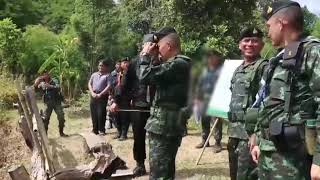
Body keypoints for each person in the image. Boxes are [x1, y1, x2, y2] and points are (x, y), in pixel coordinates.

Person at [250, 1, 320, 179]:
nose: (267, 32)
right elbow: (267, 103)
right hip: (270, 152)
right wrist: (258, 139)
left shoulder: (312, 52)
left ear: (281, 24)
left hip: (294, 160)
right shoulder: (279, 58)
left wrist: (319, 160)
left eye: (269, 26)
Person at [138, 27, 191, 179]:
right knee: (163, 171)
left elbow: (144, 77)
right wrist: (154, 57)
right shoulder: (173, 64)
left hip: (165, 128)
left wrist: (145, 55)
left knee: (159, 174)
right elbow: (153, 75)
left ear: (168, 46)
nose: (157, 49)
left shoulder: (178, 64)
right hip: (163, 127)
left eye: (159, 46)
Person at [227, 27, 267, 180]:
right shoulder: (238, 69)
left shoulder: (264, 67)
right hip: (233, 133)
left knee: (247, 176)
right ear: (239, 44)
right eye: (246, 40)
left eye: (255, 41)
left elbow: (265, 103)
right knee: (234, 174)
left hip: (250, 135)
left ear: (262, 45)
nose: (250, 44)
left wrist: (256, 135)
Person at [195, 50, 223, 153]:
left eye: (213, 57)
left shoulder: (221, 71)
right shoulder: (205, 70)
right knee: (205, 120)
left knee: (216, 122)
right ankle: (205, 140)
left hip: (216, 100)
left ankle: (217, 142)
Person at [34, 71, 68, 137]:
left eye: (46, 74)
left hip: (57, 102)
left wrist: (50, 86)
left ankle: (61, 132)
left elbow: (58, 87)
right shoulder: (41, 82)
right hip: (48, 103)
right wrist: (37, 81)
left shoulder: (54, 80)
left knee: (61, 117)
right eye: (43, 74)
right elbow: (35, 87)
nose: (45, 75)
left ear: (49, 75)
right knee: (45, 119)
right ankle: (45, 135)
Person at [111, 57, 134, 141]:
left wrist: (132, 98)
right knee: (116, 116)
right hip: (116, 97)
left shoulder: (130, 73)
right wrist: (113, 98)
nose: (126, 64)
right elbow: (114, 86)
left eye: (127, 62)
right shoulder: (118, 74)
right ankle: (119, 132)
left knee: (124, 117)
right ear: (121, 64)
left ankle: (124, 134)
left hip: (125, 98)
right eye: (124, 62)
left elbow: (129, 87)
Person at [88, 59, 111, 135]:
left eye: (102, 65)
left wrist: (100, 94)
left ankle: (102, 130)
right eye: (100, 65)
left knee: (101, 113)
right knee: (93, 113)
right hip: (93, 95)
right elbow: (89, 84)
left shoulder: (107, 75)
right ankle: (95, 129)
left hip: (102, 96)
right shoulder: (94, 74)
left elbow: (109, 86)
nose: (100, 67)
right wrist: (92, 93)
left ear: (105, 67)